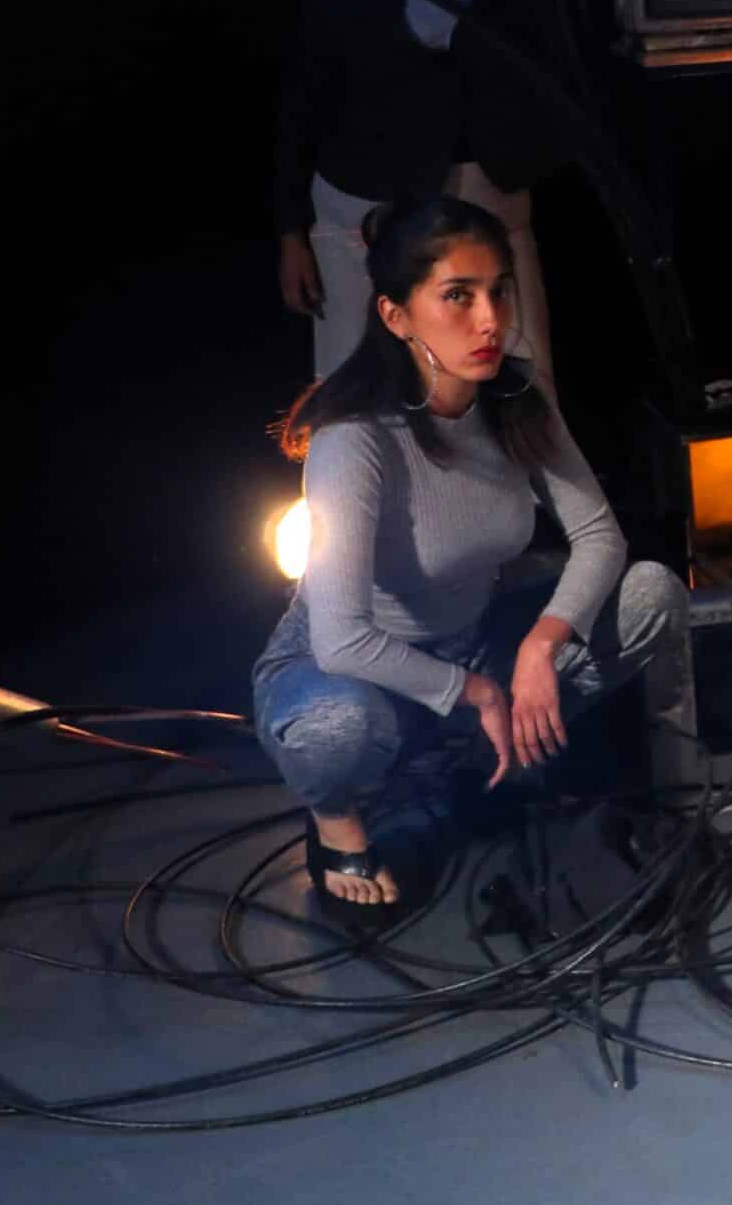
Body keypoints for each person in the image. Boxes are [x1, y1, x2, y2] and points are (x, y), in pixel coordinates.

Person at [251, 196, 693, 919]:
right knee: (337, 731)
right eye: (458, 295)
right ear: (397, 316)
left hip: (474, 635)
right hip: (352, 667)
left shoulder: (517, 393)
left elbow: (600, 536)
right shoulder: (354, 435)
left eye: (498, 291)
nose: (490, 320)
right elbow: (341, 638)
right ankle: (336, 818)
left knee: (653, 591)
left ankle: (454, 761)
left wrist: (541, 646)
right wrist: (481, 692)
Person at [274, 0, 567, 387]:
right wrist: (290, 234)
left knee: (517, 385)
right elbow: (303, 100)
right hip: (363, 207)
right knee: (363, 390)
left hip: (488, 203)